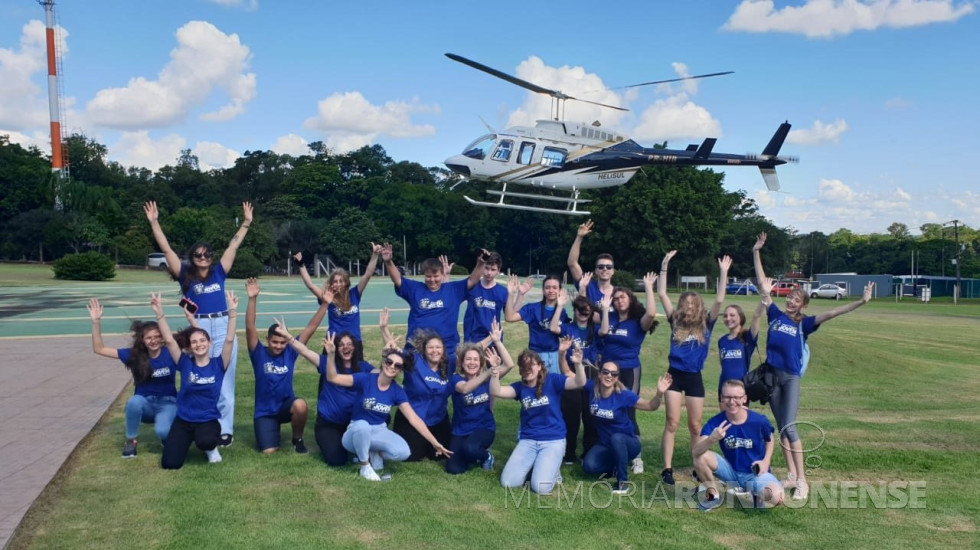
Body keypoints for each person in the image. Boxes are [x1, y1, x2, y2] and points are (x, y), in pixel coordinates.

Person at [753, 232, 874, 500]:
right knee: (781, 426)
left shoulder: (804, 324)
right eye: (789, 297)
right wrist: (756, 252)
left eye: (796, 299)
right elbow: (763, 285)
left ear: (803, 304)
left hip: (790, 378)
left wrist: (861, 302)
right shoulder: (775, 314)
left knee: (790, 427)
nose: (790, 301)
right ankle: (791, 476)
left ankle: (803, 482)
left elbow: (832, 313)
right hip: (770, 378)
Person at [144, 200, 253, 448]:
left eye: (207, 255)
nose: (203, 258)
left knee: (225, 380)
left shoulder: (219, 272)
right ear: (192, 258)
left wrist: (246, 223)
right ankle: (193, 421)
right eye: (198, 255)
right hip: (199, 329)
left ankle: (225, 430)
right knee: (195, 377)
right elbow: (167, 248)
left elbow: (233, 246)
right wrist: (154, 222)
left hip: (223, 325)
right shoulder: (185, 275)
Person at [287, 330, 452, 481]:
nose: (392, 366)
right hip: (356, 429)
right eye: (389, 362)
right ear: (383, 362)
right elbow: (333, 379)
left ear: (401, 370)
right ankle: (365, 465)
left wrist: (434, 442)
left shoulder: (397, 391)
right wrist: (330, 355)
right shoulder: (365, 378)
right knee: (362, 428)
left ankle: (373, 451)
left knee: (403, 452)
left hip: (377, 430)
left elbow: (414, 418)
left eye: (397, 365)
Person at [657, 251, 731, 486]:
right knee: (671, 422)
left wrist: (723, 272)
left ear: (698, 306)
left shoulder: (706, 323)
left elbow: (719, 300)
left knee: (695, 426)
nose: (689, 306)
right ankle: (667, 469)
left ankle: (697, 465)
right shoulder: (675, 321)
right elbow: (661, 293)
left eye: (693, 303)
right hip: (674, 377)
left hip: (693, 378)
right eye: (685, 303)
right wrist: (665, 265)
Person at [154, 290, 239, 469]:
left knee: (206, 441)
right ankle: (184, 440)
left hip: (207, 420)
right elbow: (169, 341)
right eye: (194, 342)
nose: (199, 344)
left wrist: (232, 312)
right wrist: (159, 313)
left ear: (209, 344)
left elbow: (229, 340)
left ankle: (210, 448)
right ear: (190, 347)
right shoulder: (184, 363)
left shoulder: (218, 364)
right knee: (170, 464)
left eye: (202, 340)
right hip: (184, 420)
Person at [87, 298, 179, 459]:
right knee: (134, 401)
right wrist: (96, 322)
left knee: (163, 431)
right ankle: (131, 440)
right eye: (149, 338)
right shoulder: (135, 355)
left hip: (168, 402)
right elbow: (99, 349)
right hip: (146, 405)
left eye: (157, 336)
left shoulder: (171, 352)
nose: (154, 340)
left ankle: (167, 436)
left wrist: (162, 315)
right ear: (142, 341)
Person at [245, 278, 325, 454]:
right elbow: (250, 327)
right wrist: (252, 299)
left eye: (282, 342)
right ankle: (271, 431)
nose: (279, 346)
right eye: (275, 342)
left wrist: (325, 304)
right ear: (267, 340)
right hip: (265, 412)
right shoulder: (258, 353)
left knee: (301, 405)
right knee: (269, 451)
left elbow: (310, 328)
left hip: (285, 406)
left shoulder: (290, 351)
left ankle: (297, 439)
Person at [493, 347, 587, 495]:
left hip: (553, 439)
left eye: (531, 365)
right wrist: (494, 372)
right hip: (528, 440)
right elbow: (496, 391)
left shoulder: (553, 380)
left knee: (540, 488)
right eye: (524, 366)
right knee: (509, 483)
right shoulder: (520, 387)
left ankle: (553, 470)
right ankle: (541, 465)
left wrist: (578, 364)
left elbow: (579, 382)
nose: (527, 369)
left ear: (539, 366)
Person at [598, 273, 660, 473]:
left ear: (631, 299)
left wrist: (649, 287)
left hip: (628, 370)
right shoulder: (611, 317)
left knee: (628, 410)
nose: (618, 301)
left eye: (622, 297)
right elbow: (588, 316)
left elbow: (651, 313)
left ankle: (636, 456)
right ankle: (612, 449)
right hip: (607, 370)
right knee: (607, 407)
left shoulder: (637, 321)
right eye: (616, 298)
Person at [692, 380, 784, 510]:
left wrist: (765, 461)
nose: (732, 401)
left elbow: (769, 439)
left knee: (777, 497)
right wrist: (712, 439)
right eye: (727, 397)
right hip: (731, 472)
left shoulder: (758, 420)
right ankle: (713, 496)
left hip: (755, 473)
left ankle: (756, 492)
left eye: (736, 397)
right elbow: (695, 452)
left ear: (744, 399)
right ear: (721, 398)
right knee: (700, 456)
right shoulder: (716, 422)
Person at [383, 246, 483, 364]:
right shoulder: (415, 289)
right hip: (417, 349)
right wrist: (388, 261)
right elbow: (397, 279)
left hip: (446, 348)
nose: (432, 280)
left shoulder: (453, 290)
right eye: (428, 276)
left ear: (442, 274)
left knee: (445, 381)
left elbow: (472, 280)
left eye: (436, 276)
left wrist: (481, 263)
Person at [582, 364, 672, 494]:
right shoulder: (592, 388)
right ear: (600, 374)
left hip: (628, 442)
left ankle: (622, 483)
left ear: (617, 377)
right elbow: (570, 374)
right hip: (605, 444)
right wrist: (565, 356)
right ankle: (615, 466)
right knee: (588, 466)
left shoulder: (623, 394)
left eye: (613, 374)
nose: (609, 376)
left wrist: (659, 394)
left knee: (617, 438)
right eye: (606, 372)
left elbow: (651, 406)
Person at [446, 320, 515, 474]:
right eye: (468, 359)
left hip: (484, 427)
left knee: (470, 448)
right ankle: (472, 452)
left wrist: (496, 341)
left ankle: (486, 456)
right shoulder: (456, 379)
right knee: (453, 469)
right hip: (460, 430)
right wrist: (489, 372)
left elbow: (509, 365)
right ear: (462, 363)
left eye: (476, 359)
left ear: (481, 362)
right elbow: (465, 389)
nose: (472, 363)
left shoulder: (489, 377)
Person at [294, 243, 382, 342]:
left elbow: (367, 275)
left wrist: (375, 255)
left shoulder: (355, 294)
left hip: (354, 342)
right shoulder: (328, 298)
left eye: (341, 281)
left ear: (346, 282)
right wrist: (301, 265)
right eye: (335, 281)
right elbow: (310, 285)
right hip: (334, 342)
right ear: (331, 284)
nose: (338, 284)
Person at [551, 294, 601, 463]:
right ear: (575, 311)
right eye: (579, 310)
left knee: (590, 414)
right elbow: (553, 328)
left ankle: (589, 451)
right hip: (571, 371)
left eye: (586, 311)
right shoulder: (567, 328)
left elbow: (606, 329)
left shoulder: (594, 330)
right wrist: (559, 306)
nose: (582, 313)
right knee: (571, 414)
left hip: (591, 371)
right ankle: (569, 453)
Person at [393, 330, 453, 461]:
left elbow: (471, 353)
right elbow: (395, 354)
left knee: (440, 456)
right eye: (430, 347)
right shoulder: (414, 361)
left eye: (438, 347)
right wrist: (384, 329)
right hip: (412, 417)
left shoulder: (449, 364)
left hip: (438, 418)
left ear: (443, 349)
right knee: (413, 455)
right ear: (424, 349)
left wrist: (493, 339)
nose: (434, 351)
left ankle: (429, 442)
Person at [505, 274, 570, 374]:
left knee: (553, 387)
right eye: (547, 287)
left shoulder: (562, 312)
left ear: (560, 290)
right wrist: (517, 294)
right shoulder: (533, 308)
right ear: (543, 290)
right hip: (536, 355)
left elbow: (560, 331)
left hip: (555, 355)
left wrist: (560, 306)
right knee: (535, 387)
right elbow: (510, 317)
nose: (551, 291)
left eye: (555, 288)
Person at [566, 218, 616, 315]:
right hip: (590, 330)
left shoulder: (619, 293)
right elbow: (572, 263)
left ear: (613, 271)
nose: (605, 269)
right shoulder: (588, 285)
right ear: (596, 271)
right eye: (601, 266)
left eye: (608, 267)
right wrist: (579, 237)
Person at [717, 300, 765, 399]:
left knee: (740, 415)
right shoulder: (722, 340)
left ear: (740, 317)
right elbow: (724, 364)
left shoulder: (747, 337)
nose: (728, 318)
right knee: (724, 415)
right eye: (725, 316)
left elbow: (756, 316)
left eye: (732, 315)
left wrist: (765, 297)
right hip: (724, 386)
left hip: (741, 388)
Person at [462, 251, 509, 348]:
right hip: (472, 339)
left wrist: (519, 295)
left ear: (498, 271)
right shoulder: (472, 286)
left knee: (494, 363)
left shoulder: (503, 292)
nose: (489, 273)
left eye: (493, 269)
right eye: (487, 268)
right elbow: (451, 297)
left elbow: (509, 316)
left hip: (493, 340)